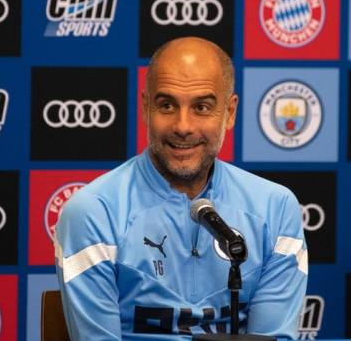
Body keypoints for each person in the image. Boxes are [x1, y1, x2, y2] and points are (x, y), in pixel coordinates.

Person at [54, 37, 307, 340]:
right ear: (146, 107)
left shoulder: (276, 209)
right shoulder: (92, 212)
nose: (183, 126)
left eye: (201, 107)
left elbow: (271, 339)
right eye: (167, 105)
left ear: (229, 112)